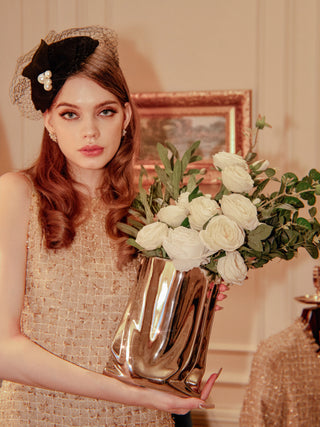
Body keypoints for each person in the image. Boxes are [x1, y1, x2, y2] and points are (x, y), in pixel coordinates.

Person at [0, 26, 220, 426]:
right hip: (40, 415)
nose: (90, 131)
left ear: (126, 117)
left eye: (105, 111)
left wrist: (192, 305)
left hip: (140, 418)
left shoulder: (155, 213)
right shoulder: (17, 196)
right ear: (48, 121)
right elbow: (3, 349)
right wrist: (126, 393)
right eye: (70, 114)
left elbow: (149, 342)